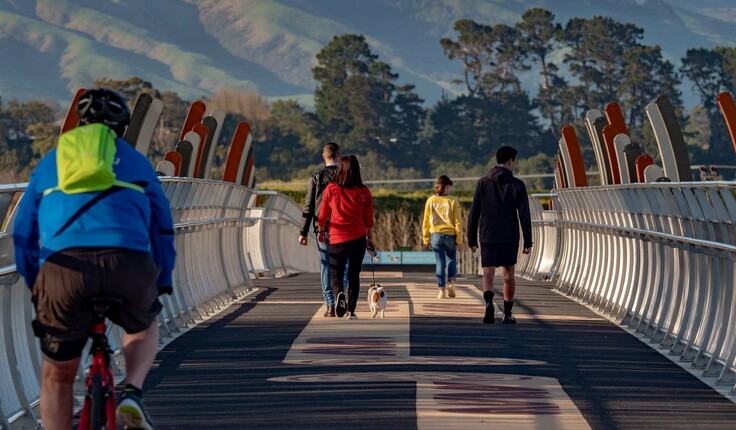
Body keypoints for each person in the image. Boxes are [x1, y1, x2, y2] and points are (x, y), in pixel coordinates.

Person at [13, 88, 176, 430]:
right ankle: (131, 392)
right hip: (127, 264)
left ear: (78, 125)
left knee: (57, 376)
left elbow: (24, 232)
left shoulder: (51, 162)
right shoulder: (136, 162)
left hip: (64, 269)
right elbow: (162, 227)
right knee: (143, 326)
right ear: (121, 129)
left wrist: (37, 283)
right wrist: (162, 280)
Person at [467, 145, 532, 324]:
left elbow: (474, 213)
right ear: (510, 161)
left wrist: (471, 238)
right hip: (509, 235)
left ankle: (488, 302)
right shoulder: (517, 185)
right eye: (514, 162)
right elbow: (524, 214)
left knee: (487, 273)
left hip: (487, 234)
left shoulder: (482, 183)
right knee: (508, 273)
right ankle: (508, 313)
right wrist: (528, 240)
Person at [317, 155, 375, 319]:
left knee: (336, 272)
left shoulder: (331, 189)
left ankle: (339, 293)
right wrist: (370, 239)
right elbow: (369, 219)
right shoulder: (364, 191)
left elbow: (323, 214)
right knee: (354, 275)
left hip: (337, 238)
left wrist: (321, 230)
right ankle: (351, 310)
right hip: (358, 238)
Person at [298, 142, 348, 317]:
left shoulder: (317, 177)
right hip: (344, 229)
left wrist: (303, 232)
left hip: (322, 228)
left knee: (326, 264)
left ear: (323, 156)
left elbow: (309, 206)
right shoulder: (346, 176)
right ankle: (341, 295)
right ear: (339, 155)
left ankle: (330, 304)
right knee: (343, 265)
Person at [422, 175, 463, 299]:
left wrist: (426, 238)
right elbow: (458, 221)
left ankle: (441, 290)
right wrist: (459, 238)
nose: (450, 189)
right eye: (449, 186)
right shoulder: (453, 201)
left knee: (440, 262)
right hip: (450, 235)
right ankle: (451, 283)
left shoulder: (431, 200)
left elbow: (426, 221)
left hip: (436, 236)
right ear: (446, 187)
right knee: (451, 259)